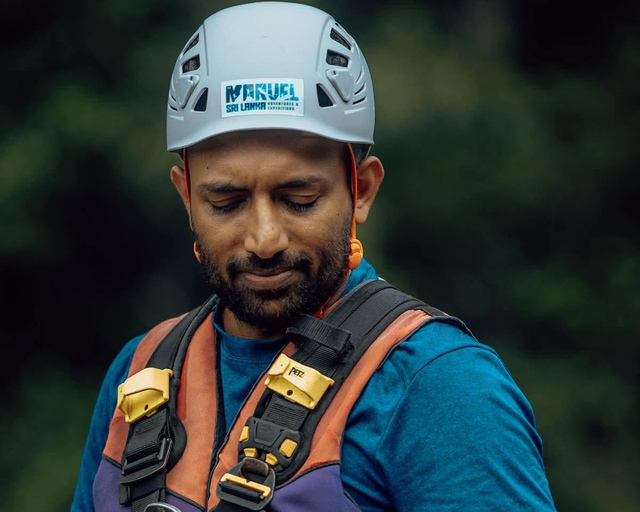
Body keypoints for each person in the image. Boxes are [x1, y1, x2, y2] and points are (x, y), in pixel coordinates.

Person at [71, 3, 557, 511]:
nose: (264, 240)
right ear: (186, 198)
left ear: (361, 190)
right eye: (226, 203)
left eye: (299, 200)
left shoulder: (440, 388)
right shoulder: (140, 376)